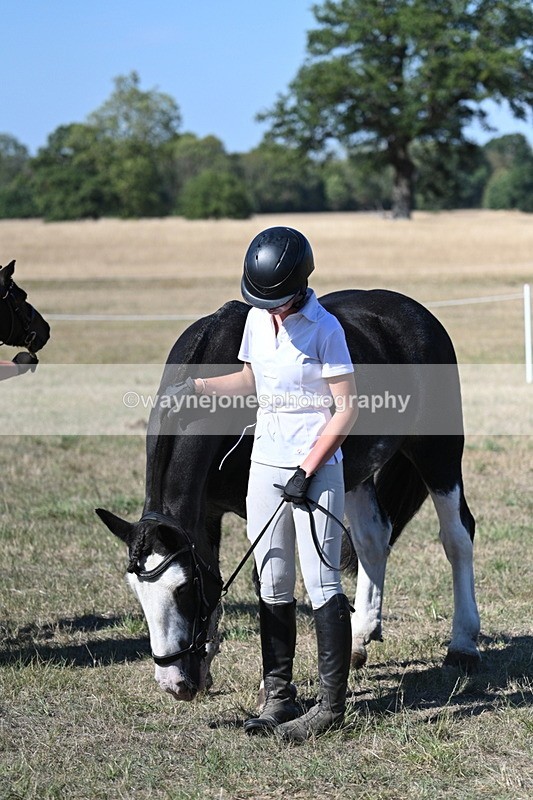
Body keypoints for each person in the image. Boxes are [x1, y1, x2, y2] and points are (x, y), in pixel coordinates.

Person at [178, 226, 358, 742]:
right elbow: (251, 379)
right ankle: (279, 695)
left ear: (302, 284)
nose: (272, 309)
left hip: (316, 469)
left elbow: (346, 408)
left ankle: (330, 707)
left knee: (321, 583)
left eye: (279, 300)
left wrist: (307, 470)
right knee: (272, 579)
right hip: (265, 464)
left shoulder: (326, 329)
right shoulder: (259, 318)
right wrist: (195, 386)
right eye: (265, 301)